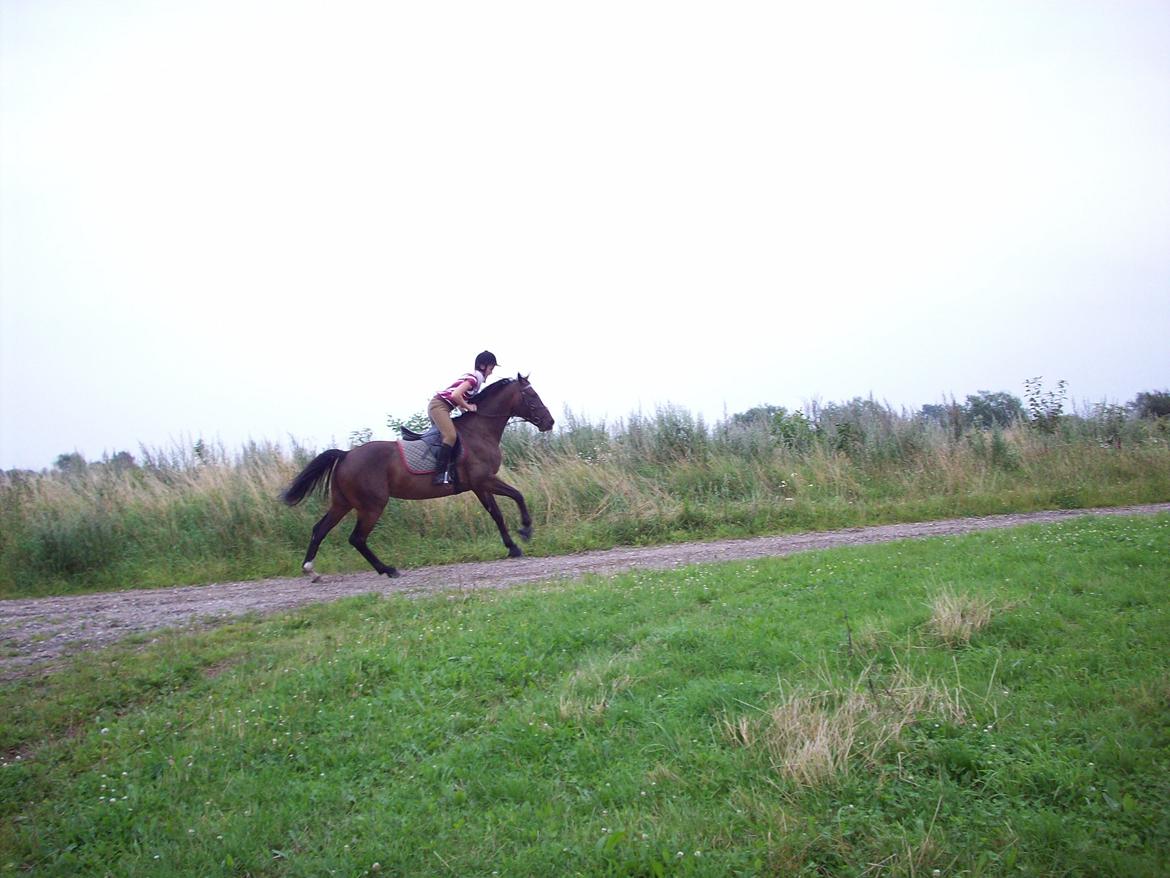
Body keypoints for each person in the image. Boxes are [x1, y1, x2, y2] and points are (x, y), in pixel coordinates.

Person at [428, 350, 497, 485]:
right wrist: (468, 406)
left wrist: (463, 407)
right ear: (483, 366)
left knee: (448, 438)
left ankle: (447, 470)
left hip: (441, 407)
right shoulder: (473, 379)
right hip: (439, 406)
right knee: (450, 437)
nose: (491, 372)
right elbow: (455, 395)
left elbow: (458, 398)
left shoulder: (474, 379)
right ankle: (439, 475)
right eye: (491, 368)